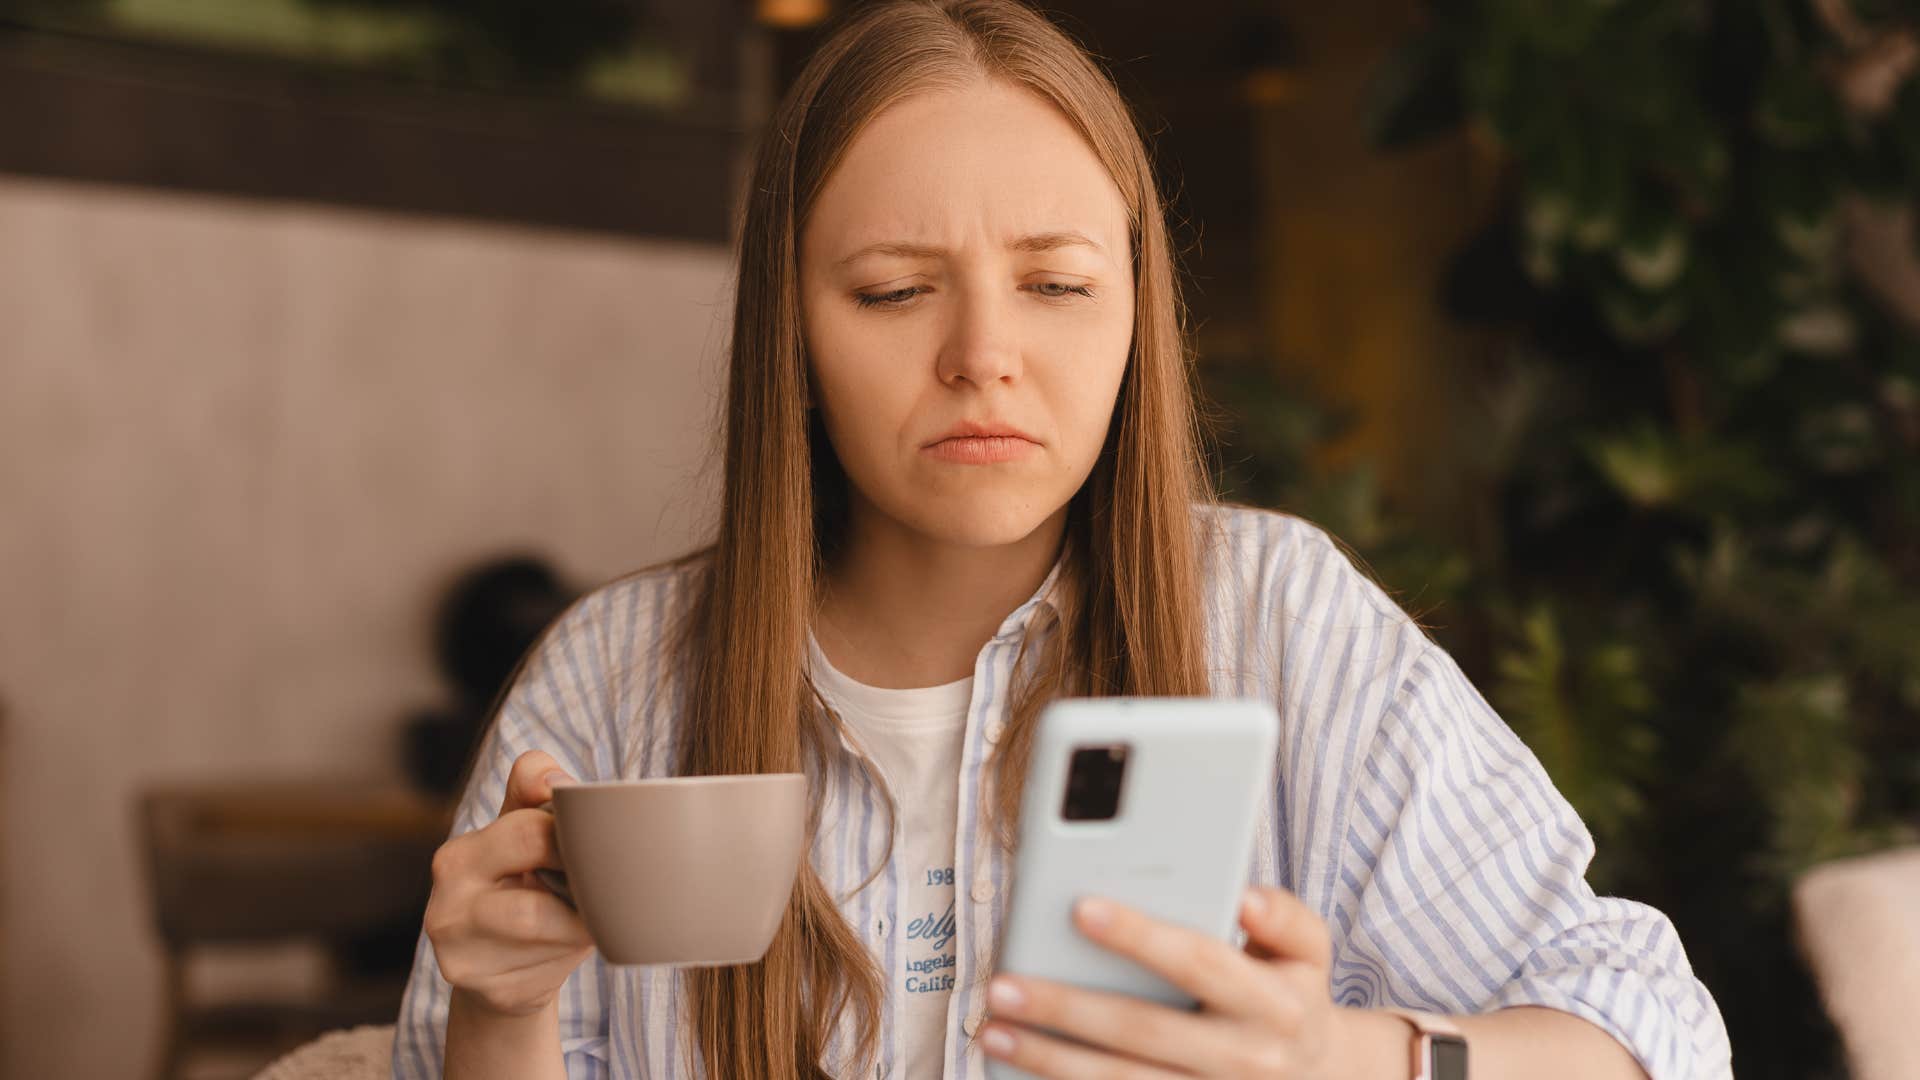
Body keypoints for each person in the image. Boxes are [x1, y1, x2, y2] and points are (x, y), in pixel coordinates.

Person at [391, 2, 1733, 1078]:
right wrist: (498, 1018)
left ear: (1135, 312)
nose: (986, 358)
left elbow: (1653, 1031)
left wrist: (1347, 1059)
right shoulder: (617, 681)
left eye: (1057, 286)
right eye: (897, 290)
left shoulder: (1280, 622)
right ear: (789, 331)